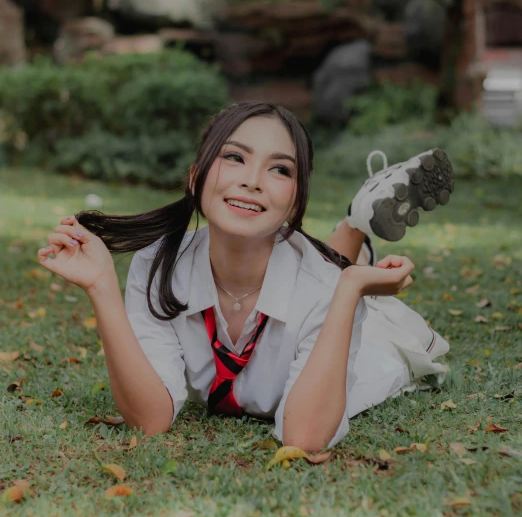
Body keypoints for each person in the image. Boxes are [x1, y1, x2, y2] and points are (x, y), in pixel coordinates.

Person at [37, 102, 452, 452]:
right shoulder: (158, 266)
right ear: (196, 177)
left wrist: (351, 288)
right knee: (317, 273)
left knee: (341, 294)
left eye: (280, 170)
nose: (252, 181)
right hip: (307, 280)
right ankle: (358, 218)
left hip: (361, 334)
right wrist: (101, 288)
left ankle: (357, 227)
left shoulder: (327, 288)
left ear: (295, 203)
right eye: (234, 157)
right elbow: (150, 419)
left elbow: (304, 438)